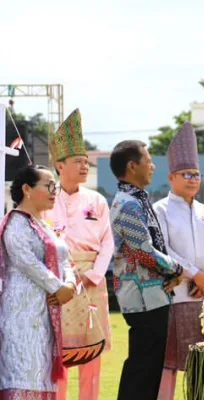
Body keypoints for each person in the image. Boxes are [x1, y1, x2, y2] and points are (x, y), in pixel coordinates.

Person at [42, 109, 115, 400]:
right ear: (60, 165)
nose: (85, 167)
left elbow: (108, 241)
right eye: (78, 162)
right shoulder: (44, 198)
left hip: (92, 281)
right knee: (57, 352)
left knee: (91, 353)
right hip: (57, 283)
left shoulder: (96, 200)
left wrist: (95, 274)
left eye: (86, 162)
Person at [109, 140, 184, 400]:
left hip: (152, 296)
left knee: (148, 368)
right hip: (141, 298)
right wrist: (177, 268)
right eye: (148, 160)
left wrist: (173, 272)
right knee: (142, 369)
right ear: (132, 166)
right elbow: (144, 251)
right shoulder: (128, 203)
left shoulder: (137, 199)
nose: (152, 166)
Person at [154, 123, 204, 400]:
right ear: (171, 176)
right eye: (187, 174)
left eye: (197, 174)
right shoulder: (160, 209)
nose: (193, 179)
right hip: (175, 295)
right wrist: (195, 274)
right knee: (168, 364)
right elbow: (163, 249)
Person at [0, 166, 77, 399]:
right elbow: (26, 261)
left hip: (45, 314)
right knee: (23, 372)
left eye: (56, 186)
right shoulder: (15, 223)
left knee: (41, 374)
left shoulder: (45, 226)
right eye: (49, 185)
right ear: (27, 189)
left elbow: (65, 259)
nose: (55, 191)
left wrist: (70, 285)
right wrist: (58, 287)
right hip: (22, 313)